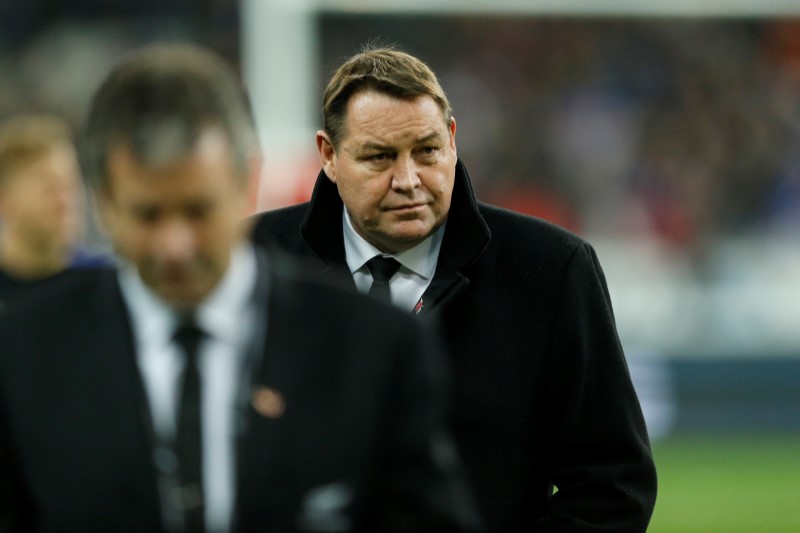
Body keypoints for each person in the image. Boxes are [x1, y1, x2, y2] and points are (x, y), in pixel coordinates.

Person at [0, 44, 481, 532]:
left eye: (197, 210)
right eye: (147, 214)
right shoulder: (22, 356)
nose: (175, 245)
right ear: (103, 200)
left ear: (246, 182)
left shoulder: (372, 348)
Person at [251, 46, 658, 532]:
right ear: (329, 156)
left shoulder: (551, 270)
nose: (408, 180)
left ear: (452, 139)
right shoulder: (254, 263)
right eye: (379, 157)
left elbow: (612, 484)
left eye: (426, 151)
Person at [0, 114, 110, 308]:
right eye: (47, 190)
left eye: (69, 184)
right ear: (5, 200)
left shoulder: (104, 283)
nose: (64, 200)